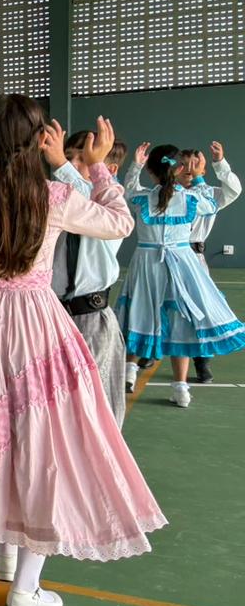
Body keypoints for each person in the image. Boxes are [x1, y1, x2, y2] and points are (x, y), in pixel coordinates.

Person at [0, 99, 164, 606]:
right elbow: (120, 222)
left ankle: (7, 554)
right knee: (45, 445)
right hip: (32, 327)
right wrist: (93, 166)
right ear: (37, 142)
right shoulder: (53, 196)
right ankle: (24, 586)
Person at [114, 144, 245, 407]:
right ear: (179, 169)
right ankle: (181, 387)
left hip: (147, 262)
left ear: (151, 171)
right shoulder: (192, 199)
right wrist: (199, 177)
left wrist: (135, 166)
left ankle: (129, 372)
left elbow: (127, 191)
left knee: (140, 311)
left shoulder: (141, 198)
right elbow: (213, 204)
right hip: (182, 262)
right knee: (181, 319)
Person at [51, 132, 132, 426]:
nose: (73, 164)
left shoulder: (109, 204)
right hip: (52, 316)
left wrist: (62, 165)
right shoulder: (55, 199)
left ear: (107, 170)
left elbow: (85, 195)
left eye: (83, 159)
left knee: (98, 410)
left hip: (91, 316)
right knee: (55, 406)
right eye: (69, 156)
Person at [155, 144, 240, 384]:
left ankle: (202, 360)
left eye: (195, 164)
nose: (189, 170)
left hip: (195, 257)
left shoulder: (209, 193)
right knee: (159, 303)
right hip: (167, 256)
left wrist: (219, 163)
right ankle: (149, 350)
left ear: (202, 169)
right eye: (184, 164)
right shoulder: (165, 193)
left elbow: (234, 190)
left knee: (199, 308)